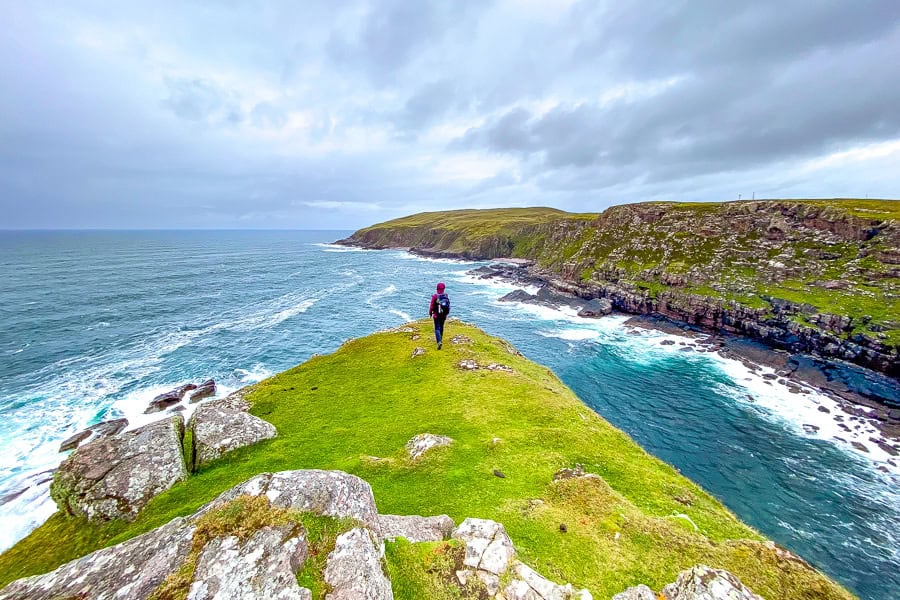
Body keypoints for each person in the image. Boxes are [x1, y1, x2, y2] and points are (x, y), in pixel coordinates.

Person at [428, 282, 450, 349]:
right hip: (443, 315)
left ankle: (439, 342)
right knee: (441, 326)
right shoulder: (446, 295)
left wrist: (430, 313)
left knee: (437, 328)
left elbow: (431, 306)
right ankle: (441, 340)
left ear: (437, 288)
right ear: (444, 288)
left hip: (436, 315)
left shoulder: (435, 296)